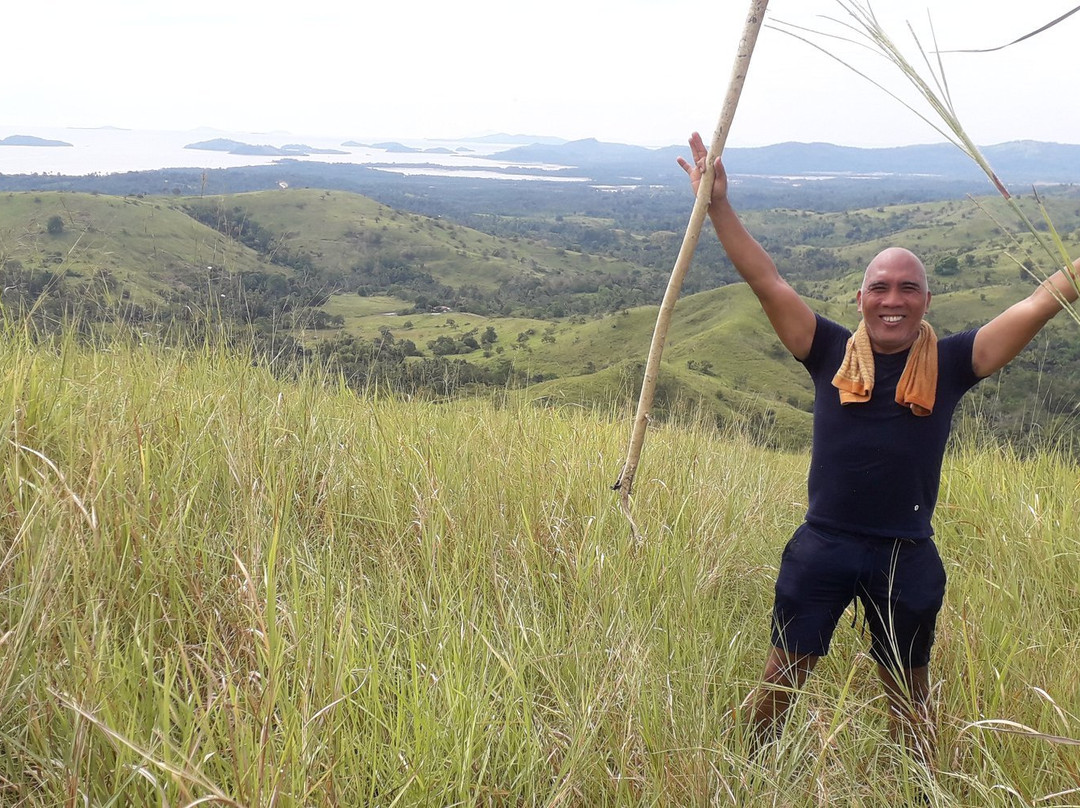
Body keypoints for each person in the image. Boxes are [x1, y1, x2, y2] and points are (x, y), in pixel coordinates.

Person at [677, 131, 1080, 762]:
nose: (892, 300)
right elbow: (766, 280)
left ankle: (917, 787)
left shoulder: (954, 361)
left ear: (926, 299)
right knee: (782, 677)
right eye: (880, 288)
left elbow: (1038, 302)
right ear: (860, 296)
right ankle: (748, 775)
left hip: (907, 551)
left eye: (907, 288)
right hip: (824, 544)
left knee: (908, 689)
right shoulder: (827, 351)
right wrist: (719, 204)